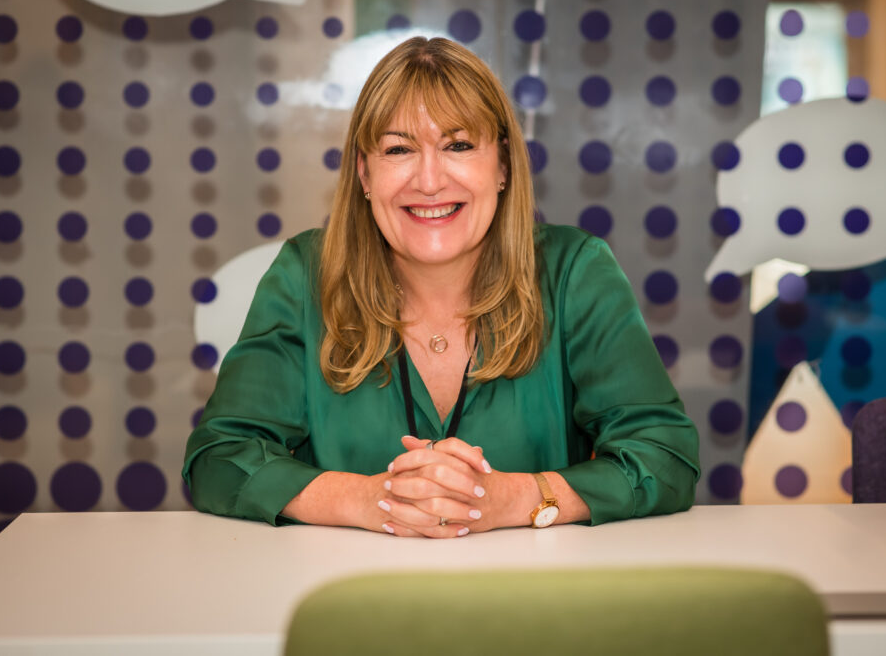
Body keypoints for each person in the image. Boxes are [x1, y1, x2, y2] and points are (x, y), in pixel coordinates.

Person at [183, 36, 699, 538]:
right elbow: (219, 458)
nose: (429, 181)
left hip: (539, 608)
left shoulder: (575, 272)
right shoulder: (304, 275)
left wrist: (511, 499)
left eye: (457, 145)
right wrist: (370, 500)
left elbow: (664, 456)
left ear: (502, 165)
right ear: (364, 174)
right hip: (351, 601)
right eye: (399, 149)